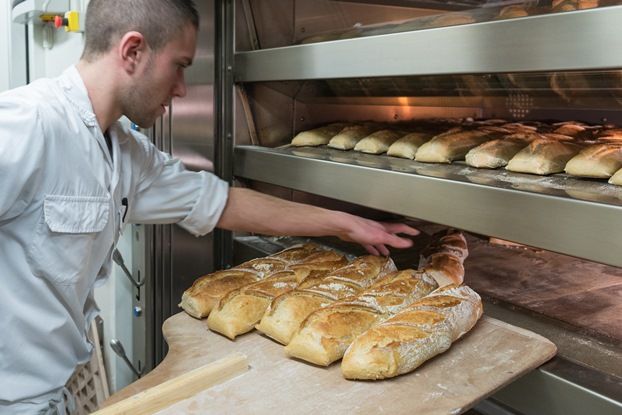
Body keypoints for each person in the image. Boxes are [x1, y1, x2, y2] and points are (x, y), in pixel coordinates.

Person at [0, 0, 418, 413]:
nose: (182, 88)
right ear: (132, 51)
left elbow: (223, 204)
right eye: (179, 66)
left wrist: (343, 224)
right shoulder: (28, 128)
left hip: (52, 394)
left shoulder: (126, 154)